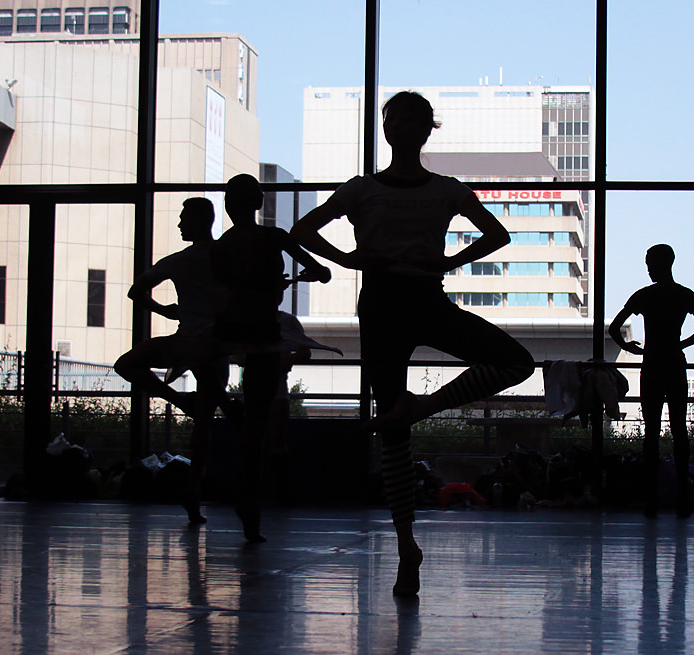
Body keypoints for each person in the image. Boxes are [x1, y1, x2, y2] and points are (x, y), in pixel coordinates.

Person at [290, 91, 535, 595]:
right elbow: (303, 229)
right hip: (382, 305)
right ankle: (406, 546)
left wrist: (445, 265)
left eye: (410, 117)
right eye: (391, 117)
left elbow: (497, 235)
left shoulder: (446, 189)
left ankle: (418, 410)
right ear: (385, 128)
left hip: (424, 299)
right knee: (394, 435)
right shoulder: (362, 189)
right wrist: (352, 261)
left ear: (427, 129)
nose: (399, 124)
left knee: (516, 361)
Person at [210, 173, 332, 542]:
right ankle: (251, 506)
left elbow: (223, 291)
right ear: (259, 204)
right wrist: (289, 280)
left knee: (241, 415)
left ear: (228, 206)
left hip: (229, 332)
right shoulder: (274, 238)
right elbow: (322, 272)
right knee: (259, 423)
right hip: (263, 334)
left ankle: (229, 411)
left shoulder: (222, 247)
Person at [114, 197, 232, 524]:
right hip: (214, 346)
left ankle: (180, 401)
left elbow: (137, 292)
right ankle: (193, 490)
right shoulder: (225, 257)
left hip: (185, 342)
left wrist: (164, 310)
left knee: (127, 364)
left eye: (183, 218)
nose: (180, 224)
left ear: (197, 220)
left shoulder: (179, 261)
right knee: (205, 423)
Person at [609, 244, 694, 518]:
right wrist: (680, 344)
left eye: (649, 263)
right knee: (679, 428)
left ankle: (652, 501)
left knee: (651, 430)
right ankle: (683, 500)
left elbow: (614, 327)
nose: (648, 268)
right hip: (675, 363)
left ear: (654, 264)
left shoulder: (644, 296)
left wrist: (629, 347)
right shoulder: (684, 294)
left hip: (652, 363)